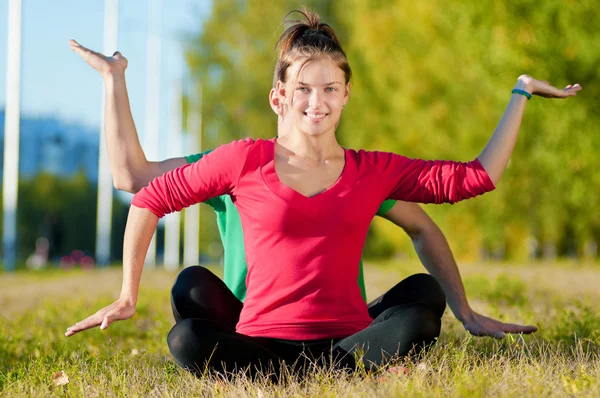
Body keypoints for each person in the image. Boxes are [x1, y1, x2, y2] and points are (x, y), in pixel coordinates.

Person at [66, 9, 580, 377]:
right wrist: (127, 295)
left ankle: (330, 366)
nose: (318, 101)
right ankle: (305, 370)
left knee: (422, 307)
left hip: (346, 338)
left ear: (346, 95)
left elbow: (474, 178)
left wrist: (521, 92)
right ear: (279, 97)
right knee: (187, 337)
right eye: (305, 90)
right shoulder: (240, 160)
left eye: (331, 88)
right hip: (260, 339)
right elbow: (146, 193)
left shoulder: (370, 170)